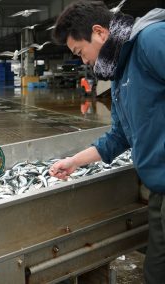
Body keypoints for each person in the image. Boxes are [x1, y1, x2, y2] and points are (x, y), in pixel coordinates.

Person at [49, 1, 165, 282]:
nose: (83, 61)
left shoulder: (150, 39)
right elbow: (119, 136)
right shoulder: (119, 73)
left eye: (80, 52)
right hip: (158, 188)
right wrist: (73, 162)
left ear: (99, 32)